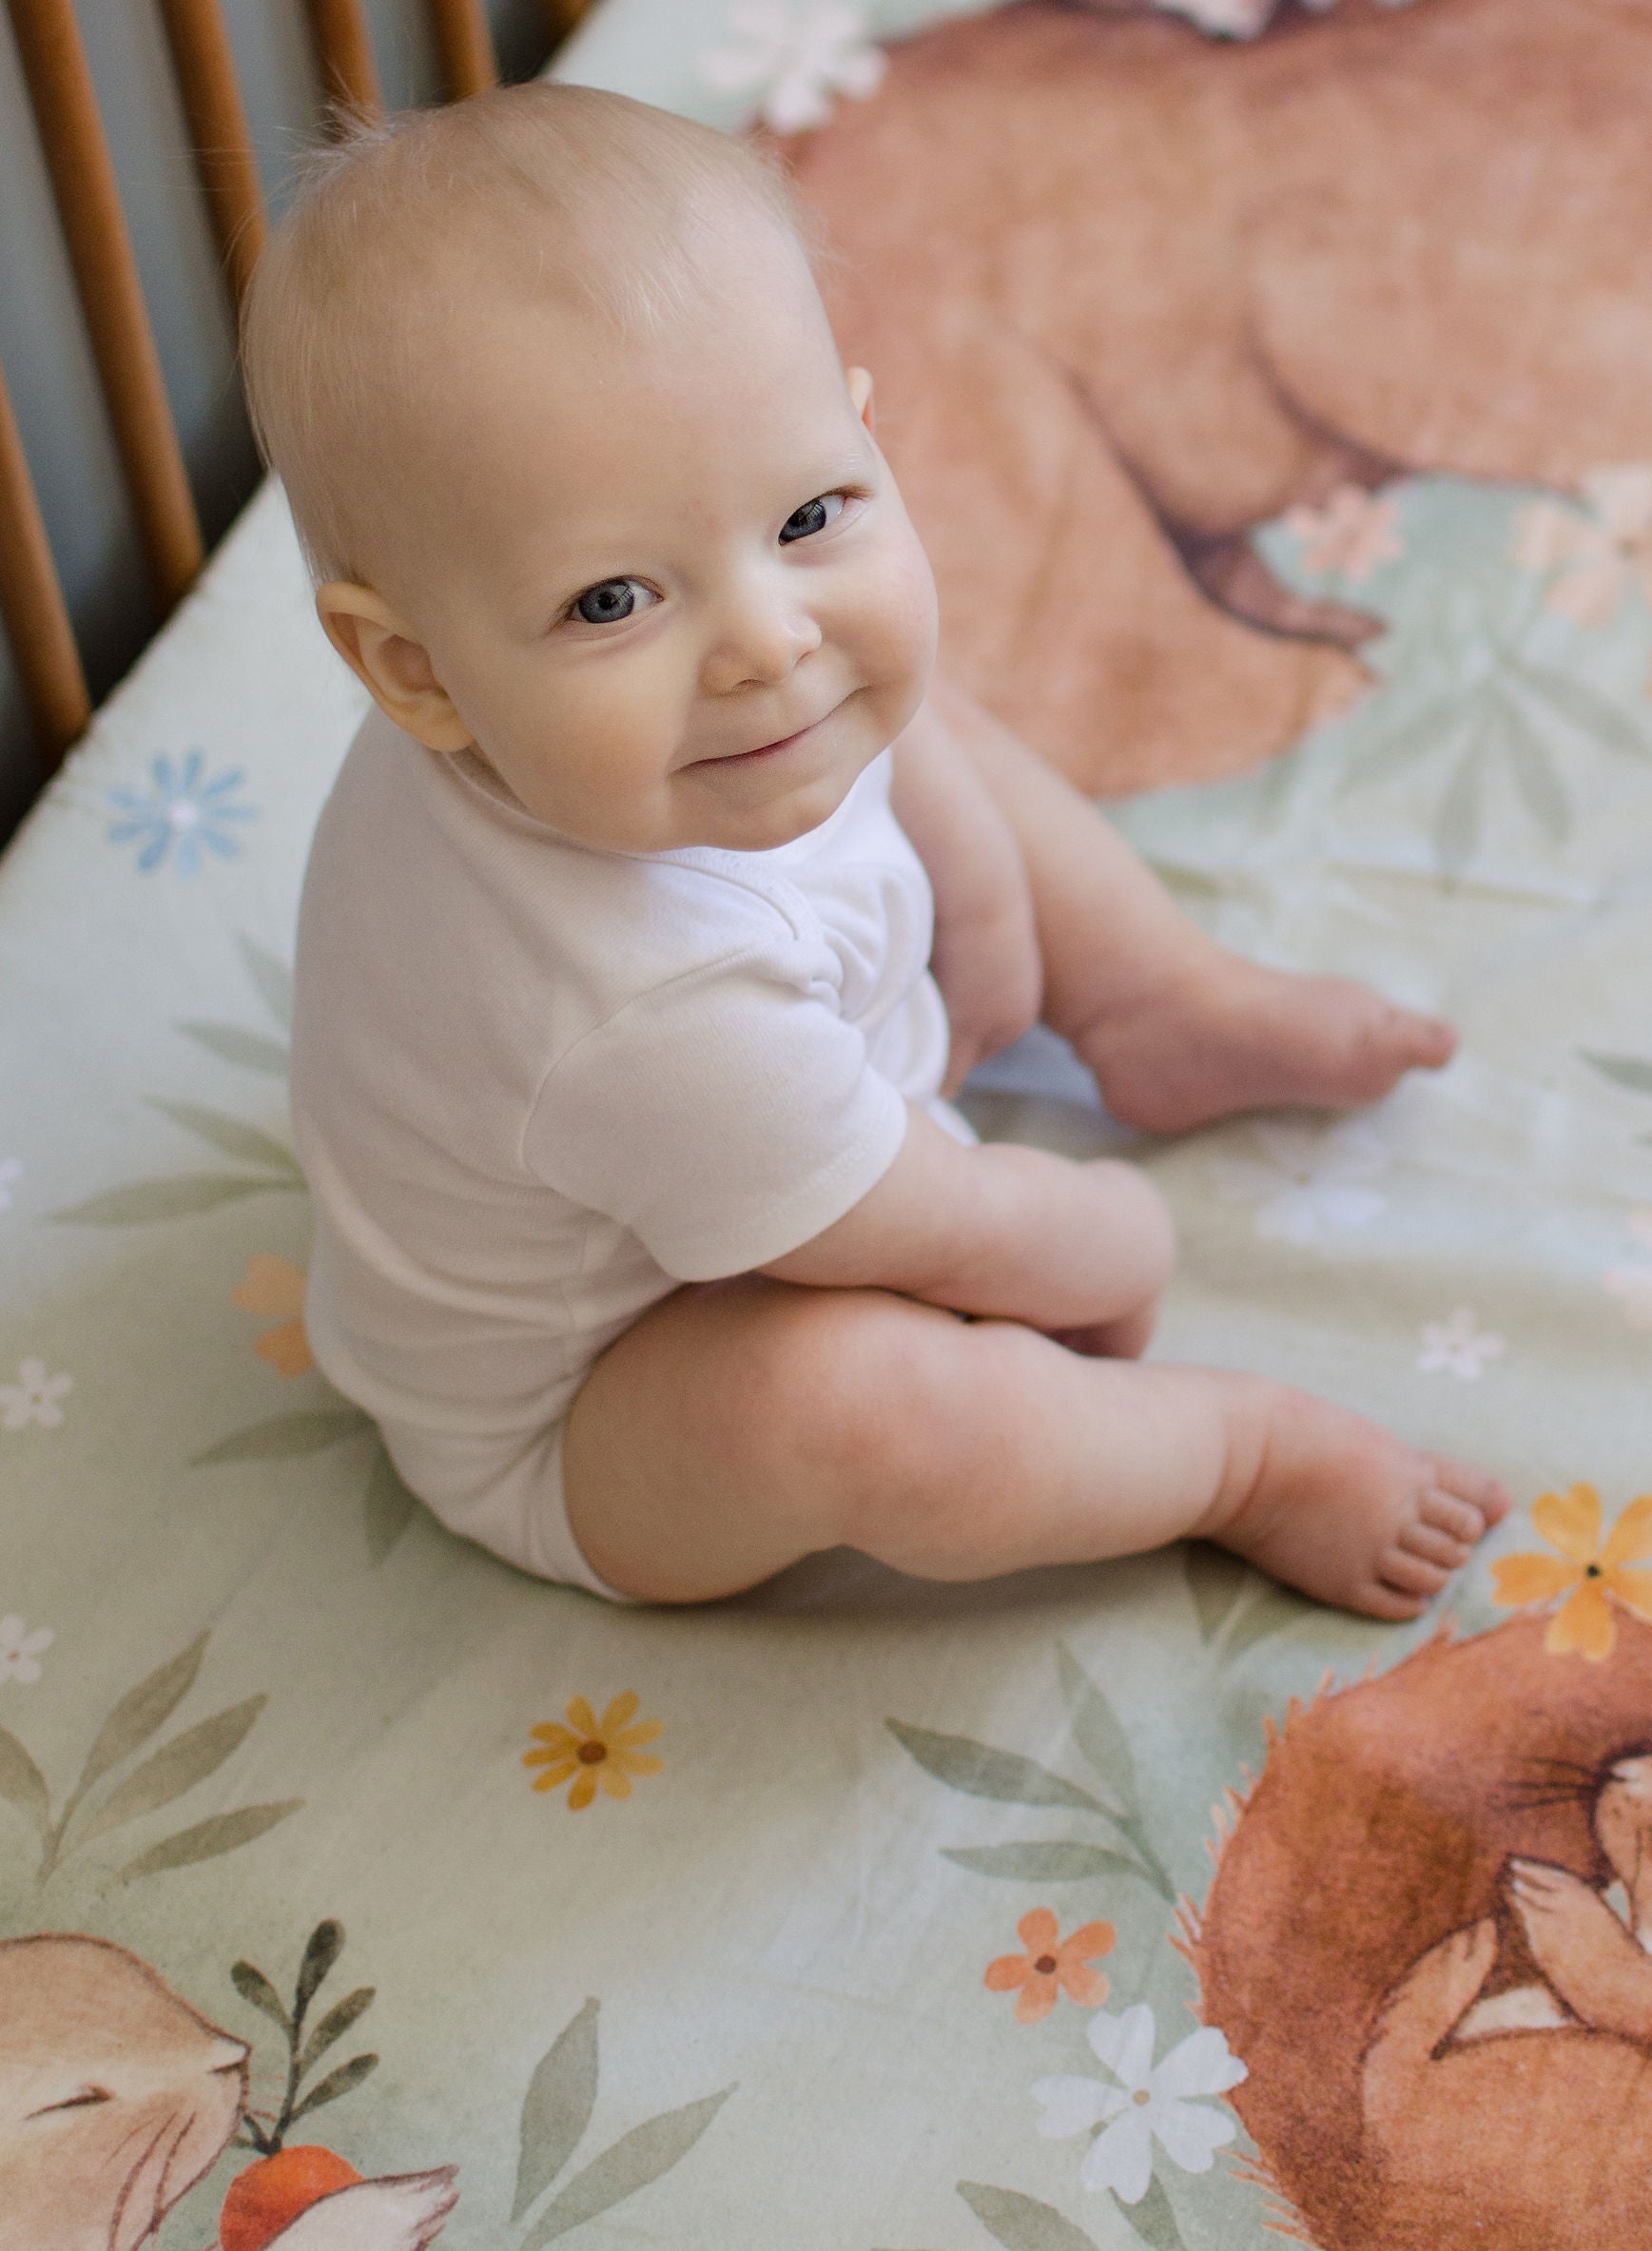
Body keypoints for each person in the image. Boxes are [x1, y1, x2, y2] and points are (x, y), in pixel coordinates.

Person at [248, 83, 1506, 1613]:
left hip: (773, 1131)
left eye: (810, 513)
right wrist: (1111, 1236)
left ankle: (1153, 995)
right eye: (611, 603)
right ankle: (1238, 1459)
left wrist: (981, 899)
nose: (766, 642)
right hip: (602, 1404)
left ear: (859, 422)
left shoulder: (654, 722)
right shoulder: (634, 1005)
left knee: (916, 704)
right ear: (415, 673)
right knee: (857, 1409)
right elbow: (933, 1222)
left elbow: (901, 742)